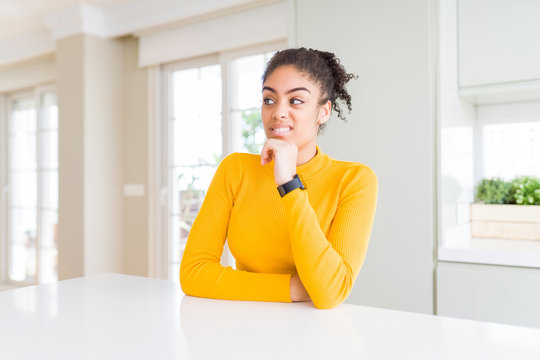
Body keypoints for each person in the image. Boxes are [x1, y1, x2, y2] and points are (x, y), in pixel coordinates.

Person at [180, 47, 378, 309]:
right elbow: (193, 273)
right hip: (238, 329)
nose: (278, 112)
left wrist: (289, 184)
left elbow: (330, 292)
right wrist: (292, 288)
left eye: (296, 101)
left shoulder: (354, 180)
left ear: (324, 111)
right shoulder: (235, 170)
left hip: (313, 338)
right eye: (269, 100)